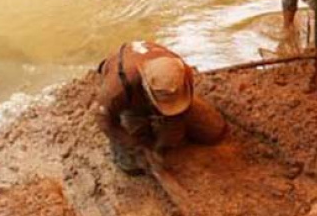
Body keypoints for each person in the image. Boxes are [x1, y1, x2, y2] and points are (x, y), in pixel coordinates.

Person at [96, 41, 227, 174]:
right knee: (133, 164)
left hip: (171, 94)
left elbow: (178, 116)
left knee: (214, 131)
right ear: (146, 88)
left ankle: (172, 113)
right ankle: (134, 119)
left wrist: (164, 143)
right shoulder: (117, 88)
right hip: (133, 102)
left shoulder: (182, 71)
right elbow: (105, 121)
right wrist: (134, 145)